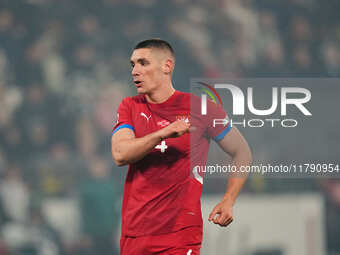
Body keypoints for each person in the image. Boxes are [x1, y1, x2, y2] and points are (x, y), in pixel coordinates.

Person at [111, 39, 252, 255]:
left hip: (180, 233)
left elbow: (242, 152)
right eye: (133, 65)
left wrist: (229, 199)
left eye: (143, 63)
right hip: (135, 233)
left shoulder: (202, 108)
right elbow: (120, 154)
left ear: (166, 66)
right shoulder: (129, 106)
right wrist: (162, 134)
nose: (135, 71)